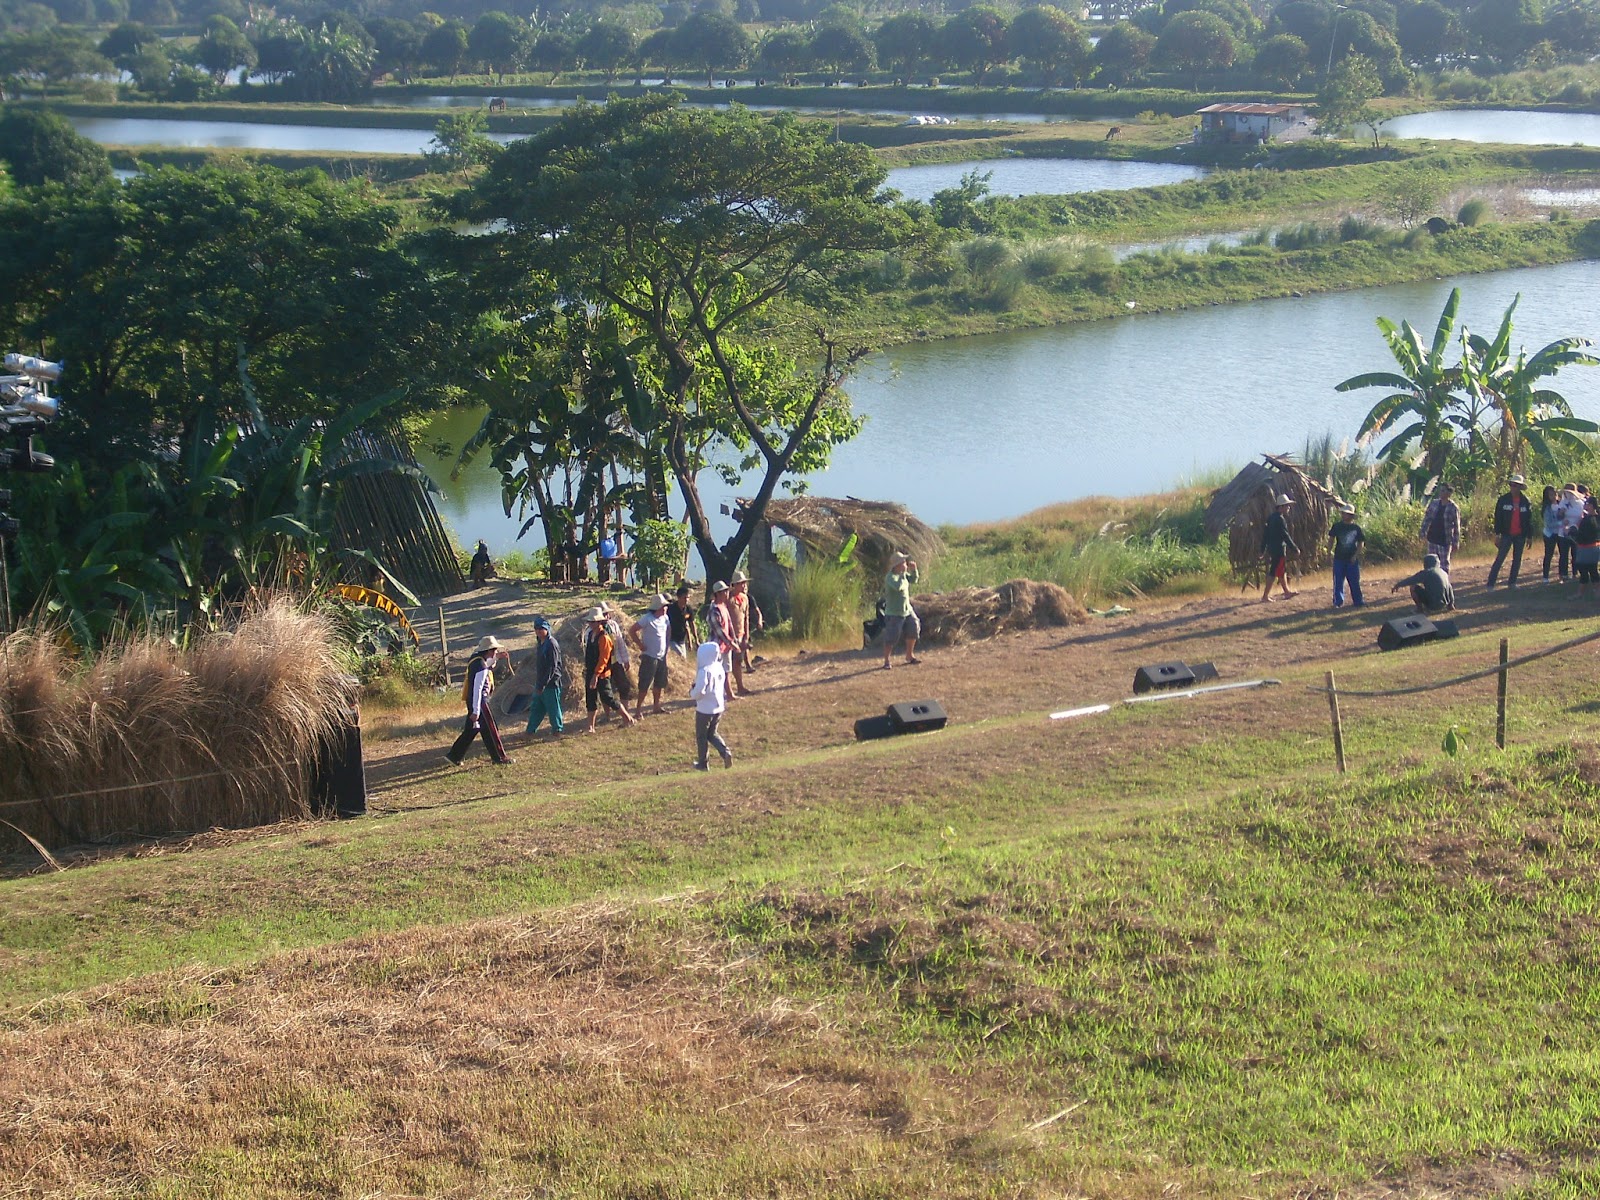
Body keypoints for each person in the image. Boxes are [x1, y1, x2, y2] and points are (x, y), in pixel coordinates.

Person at [446, 635, 514, 766]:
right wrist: (476, 711)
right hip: (480, 703)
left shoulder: (476, 659)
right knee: (491, 729)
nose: (495, 652)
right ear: (488, 651)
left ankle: (454, 756)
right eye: (494, 650)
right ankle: (499, 757)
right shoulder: (481, 666)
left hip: (473, 701)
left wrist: (496, 658)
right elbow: (477, 689)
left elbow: (487, 665)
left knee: (472, 729)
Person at [581, 606, 636, 733]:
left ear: (599, 622)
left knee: (608, 697)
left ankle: (627, 718)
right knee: (591, 698)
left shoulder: (604, 638)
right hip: (591, 671)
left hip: (602, 673)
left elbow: (604, 659)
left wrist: (596, 675)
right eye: (590, 621)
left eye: (593, 621)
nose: (590, 623)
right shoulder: (590, 635)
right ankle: (591, 726)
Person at [688, 640, 734, 770]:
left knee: (701, 736)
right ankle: (725, 752)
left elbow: (700, 691)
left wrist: (692, 693)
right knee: (712, 733)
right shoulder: (719, 667)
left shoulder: (704, 671)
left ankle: (703, 763)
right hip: (718, 707)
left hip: (705, 709)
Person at [1487, 472, 1534, 589]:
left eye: (1516, 485)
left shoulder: (1525, 501)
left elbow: (1528, 520)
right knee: (1500, 559)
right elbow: (1497, 518)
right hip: (1506, 534)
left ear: (1520, 487)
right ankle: (1490, 584)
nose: (1513, 487)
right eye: (1512, 485)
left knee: (1517, 560)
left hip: (1520, 535)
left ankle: (1512, 583)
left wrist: (1529, 536)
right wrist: (1497, 534)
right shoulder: (1503, 500)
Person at [630, 594, 672, 718]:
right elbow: (632, 630)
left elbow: (668, 629)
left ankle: (656, 706)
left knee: (659, 682)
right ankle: (638, 710)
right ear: (658, 607)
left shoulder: (665, 618)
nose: (666, 608)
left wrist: (667, 643)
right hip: (649, 656)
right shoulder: (647, 619)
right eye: (664, 606)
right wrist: (640, 645)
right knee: (645, 684)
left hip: (661, 656)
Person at [524, 616, 566, 738]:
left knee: (553, 707)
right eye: (536, 629)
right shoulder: (541, 643)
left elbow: (552, 667)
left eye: (541, 628)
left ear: (547, 629)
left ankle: (557, 730)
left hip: (551, 682)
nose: (538, 631)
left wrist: (543, 684)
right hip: (541, 681)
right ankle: (530, 731)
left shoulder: (551, 644)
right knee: (537, 707)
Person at [881, 551, 921, 668]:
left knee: (914, 627)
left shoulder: (903, 574)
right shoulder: (890, 577)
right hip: (894, 613)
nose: (905, 563)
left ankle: (909, 655)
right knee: (892, 637)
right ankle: (887, 660)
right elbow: (898, 587)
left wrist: (914, 571)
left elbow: (914, 580)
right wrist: (903, 574)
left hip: (907, 609)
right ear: (897, 565)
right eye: (903, 562)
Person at [1259, 494, 1298, 603]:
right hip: (1279, 549)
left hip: (1272, 549)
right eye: (1286, 506)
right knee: (1274, 572)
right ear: (1280, 507)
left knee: (1281, 571)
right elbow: (1285, 535)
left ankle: (1286, 592)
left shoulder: (1271, 518)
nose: (1288, 508)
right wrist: (1294, 548)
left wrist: (1262, 550)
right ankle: (1265, 596)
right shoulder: (1280, 519)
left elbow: (1265, 536)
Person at [1327, 502, 1365, 608]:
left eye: (1346, 513)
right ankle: (1338, 602)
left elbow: (1361, 543)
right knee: (1338, 581)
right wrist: (1329, 552)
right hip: (1339, 558)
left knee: (1354, 581)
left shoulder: (1356, 528)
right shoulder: (1337, 526)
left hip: (1351, 559)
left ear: (1351, 515)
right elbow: (1331, 539)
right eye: (1343, 513)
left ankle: (1358, 601)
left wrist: (1355, 555)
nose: (1344, 515)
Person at [727, 570, 759, 696]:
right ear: (735, 585)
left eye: (744, 583)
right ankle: (729, 689)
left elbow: (746, 618)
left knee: (737, 662)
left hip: (740, 635)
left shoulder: (745, 598)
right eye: (741, 583)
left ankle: (740, 687)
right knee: (726, 664)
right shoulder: (728, 598)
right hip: (729, 636)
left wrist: (746, 636)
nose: (744, 585)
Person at [1390, 553, 1455, 614]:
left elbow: (1411, 580)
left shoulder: (1426, 572)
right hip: (1444, 604)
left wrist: (1398, 585)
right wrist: (1451, 604)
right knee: (1447, 585)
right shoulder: (1443, 572)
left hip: (1433, 606)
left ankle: (1419, 609)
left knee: (1413, 587)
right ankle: (1450, 606)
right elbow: (1450, 588)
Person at [1419, 483, 1461, 575]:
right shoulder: (1434, 503)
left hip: (1445, 540)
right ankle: (1432, 583)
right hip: (1432, 538)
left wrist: (1455, 542)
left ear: (1449, 493)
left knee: (1444, 564)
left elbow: (1457, 526)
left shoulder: (1453, 507)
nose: (1441, 493)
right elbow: (1427, 518)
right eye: (1440, 490)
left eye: (1443, 491)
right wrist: (1423, 531)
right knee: (1431, 563)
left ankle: (1444, 583)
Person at [707, 580, 739, 701]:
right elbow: (720, 631)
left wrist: (733, 640)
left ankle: (729, 694)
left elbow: (729, 625)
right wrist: (731, 642)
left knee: (726, 670)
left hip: (726, 646)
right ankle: (713, 694)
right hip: (717, 646)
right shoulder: (714, 610)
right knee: (716, 671)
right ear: (719, 594)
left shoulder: (723, 607)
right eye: (725, 591)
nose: (727, 593)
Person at [1573, 495, 1600, 600]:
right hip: (1595, 547)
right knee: (1593, 570)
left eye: (1587, 503)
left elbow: (1581, 536)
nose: (1585, 505)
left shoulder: (1588, 519)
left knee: (1583, 570)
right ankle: (1597, 592)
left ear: (1592, 505)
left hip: (1585, 548)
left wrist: (1571, 532)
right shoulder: (1597, 517)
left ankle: (1580, 593)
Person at [1541, 485, 1568, 583]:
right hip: (1550, 534)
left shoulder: (1561, 505)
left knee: (1563, 554)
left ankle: (1563, 575)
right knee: (1549, 555)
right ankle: (1545, 576)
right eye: (1551, 494)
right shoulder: (1547, 508)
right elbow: (1549, 524)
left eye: (1555, 493)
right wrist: (1561, 523)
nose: (1554, 496)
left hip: (1561, 533)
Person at [667, 583, 699, 660]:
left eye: (687, 598)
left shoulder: (688, 609)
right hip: (671, 639)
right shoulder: (671, 609)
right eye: (684, 598)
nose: (686, 600)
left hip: (681, 640)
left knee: (683, 659)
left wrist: (695, 639)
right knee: (680, 657)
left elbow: (691, 624)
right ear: (678, 597)